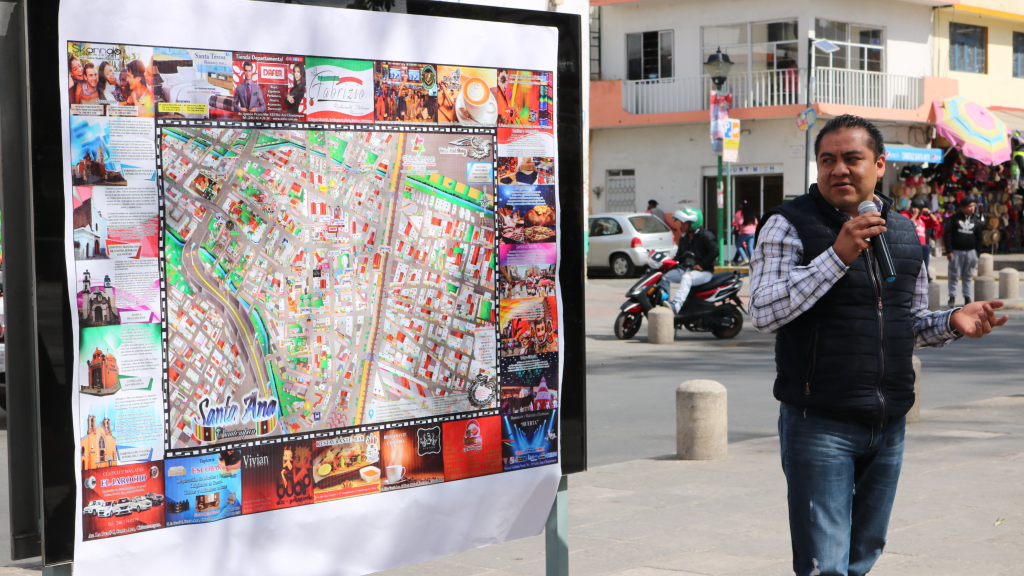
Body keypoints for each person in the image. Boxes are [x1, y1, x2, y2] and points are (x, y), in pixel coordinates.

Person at [749, 114, 1008, 576]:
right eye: (827, 160)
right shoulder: (787, 225)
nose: (839, 170)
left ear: (880, 164)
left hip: (888, 425)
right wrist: (837, 256)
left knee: (863, 555)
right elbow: (765, 313)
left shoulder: (905, 233)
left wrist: (952, 320)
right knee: (823, 565)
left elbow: (903, 324)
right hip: (819, 422)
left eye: (852, 159)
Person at [658, 207, 718, 314]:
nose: (682, 225)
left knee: (687, 278)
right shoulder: (684, 238)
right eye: (682, 222)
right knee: (665, 277)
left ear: (693, 223)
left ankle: (676, 305)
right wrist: (668, 264)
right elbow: (679, 257)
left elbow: (715, 251)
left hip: (704, 273)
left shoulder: (705, 235)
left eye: (685, 222)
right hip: (686, 270)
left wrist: (702, 265)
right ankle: (667, 304)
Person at [943, 196, 984, 308]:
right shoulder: (954, 218)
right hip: (956, 252)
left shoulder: (976, 220)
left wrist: (977, 253)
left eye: (973, 206)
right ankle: (952, 297)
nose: (972, 208)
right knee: (954, 275)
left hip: (971, 252)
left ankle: (967, 296)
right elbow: (948, 235)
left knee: (968, 275)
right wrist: (949, 250)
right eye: (970, 206)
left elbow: (979, 237)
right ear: (963, 207)